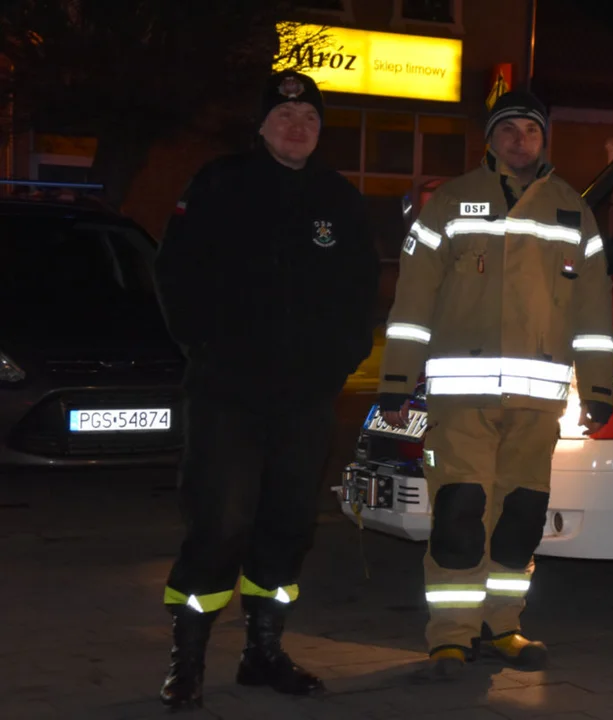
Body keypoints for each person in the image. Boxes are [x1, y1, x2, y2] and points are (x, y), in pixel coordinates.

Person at [153, 70, 380, 709]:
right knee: (219, 523)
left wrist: (341, 359)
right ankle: (188, 660)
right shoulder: (219, 183)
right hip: (227, 392)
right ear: (261, 126)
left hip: (305, 398)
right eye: (285, 118)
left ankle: (263, 653)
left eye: (309, 119)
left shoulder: (338, 198)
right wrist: (203, 346)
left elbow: (362, 290)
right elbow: (174, 271)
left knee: (288, 524)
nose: (297, 127)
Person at [377, 89, 613, 680]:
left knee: (519, 519)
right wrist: (397, 379)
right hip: (462, 400)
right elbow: (413, 300)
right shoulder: (452, 202)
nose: (519, 140)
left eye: (530, 131)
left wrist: (600, 388)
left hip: (538, 406)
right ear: (490, 138)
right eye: (508, 130)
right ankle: (451, 638)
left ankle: (502, 626)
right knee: (460, 512)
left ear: (543, 140)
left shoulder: (572, 210)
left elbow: (593, 312)